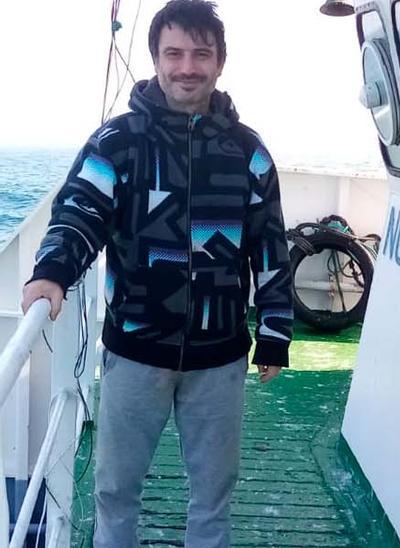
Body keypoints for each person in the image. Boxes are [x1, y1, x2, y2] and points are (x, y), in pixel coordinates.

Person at [19, 2, 293, 545]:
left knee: (213, 498)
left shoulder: (247, 152)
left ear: (219, 62)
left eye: (200, 53)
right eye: (174, 53)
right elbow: (81, 211)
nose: (186, 66)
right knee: (116, 492)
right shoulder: (117, 143)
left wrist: (276, 332)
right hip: (135, 351)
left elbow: (269, 243)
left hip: (219, 356)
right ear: (156, 59)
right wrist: (52, 271)